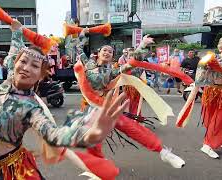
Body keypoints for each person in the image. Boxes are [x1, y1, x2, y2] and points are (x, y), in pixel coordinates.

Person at [0, 21, 129, 180]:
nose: (26, 68)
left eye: (34, 66)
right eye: (23, 62)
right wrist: (17, 30)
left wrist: (87, 135)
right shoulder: (10, 78)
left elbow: (54, 134)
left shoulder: (31, 108)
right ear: (15, 64)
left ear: (41, 76)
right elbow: (15, 46)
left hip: (10, 171)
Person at [75, 28, 185, 170]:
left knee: (131, 127)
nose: (107, 53)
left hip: (105, 106)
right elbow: (79, 48)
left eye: (110, 52)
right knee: (95, 137)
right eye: (105, 50)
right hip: (90, 107)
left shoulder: (113, 70)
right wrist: (84, 32)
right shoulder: (87, 63)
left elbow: (131, 63)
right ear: (99, 52)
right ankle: (97, 163)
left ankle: (163, 152)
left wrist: (142, 45)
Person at [193, 36, 222, 158]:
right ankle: (211, 142)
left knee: (219, 119)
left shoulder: (218, 60)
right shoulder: (213, 57)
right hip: (211, 91)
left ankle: (210, 143)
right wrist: (205, 65)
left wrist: (219, 67)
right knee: (210, 118)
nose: (221, 45)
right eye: (220, 43)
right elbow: (201, 73)